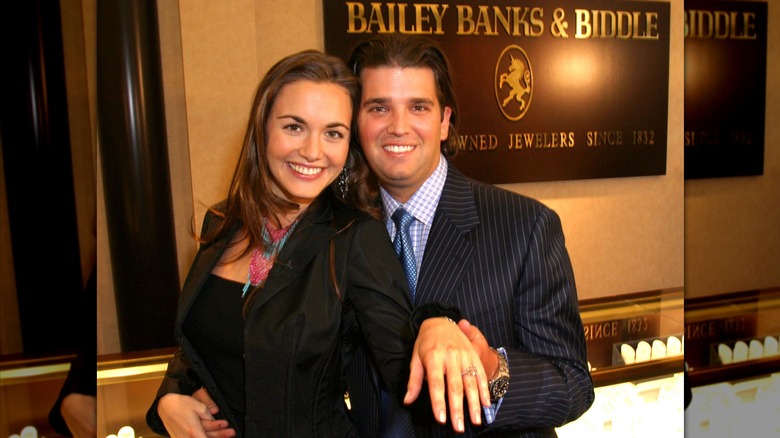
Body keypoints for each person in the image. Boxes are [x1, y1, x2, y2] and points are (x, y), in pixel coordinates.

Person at [145, 49, 489, 438]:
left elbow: (409, 375)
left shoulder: (355, 238)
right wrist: (169, 400)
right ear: (262, 128)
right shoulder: (223, 222)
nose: (312, 151)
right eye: (294, 127)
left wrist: (436, 323)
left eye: (333, 133)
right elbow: (202, 343)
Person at [345, 34, 595, 436]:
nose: (398, 126)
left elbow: (573, 384)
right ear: (357, 122)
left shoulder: (525, 225)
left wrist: (493, 369)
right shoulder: (344, 232)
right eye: (379, 107)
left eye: (418, 107)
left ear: (444, 122)